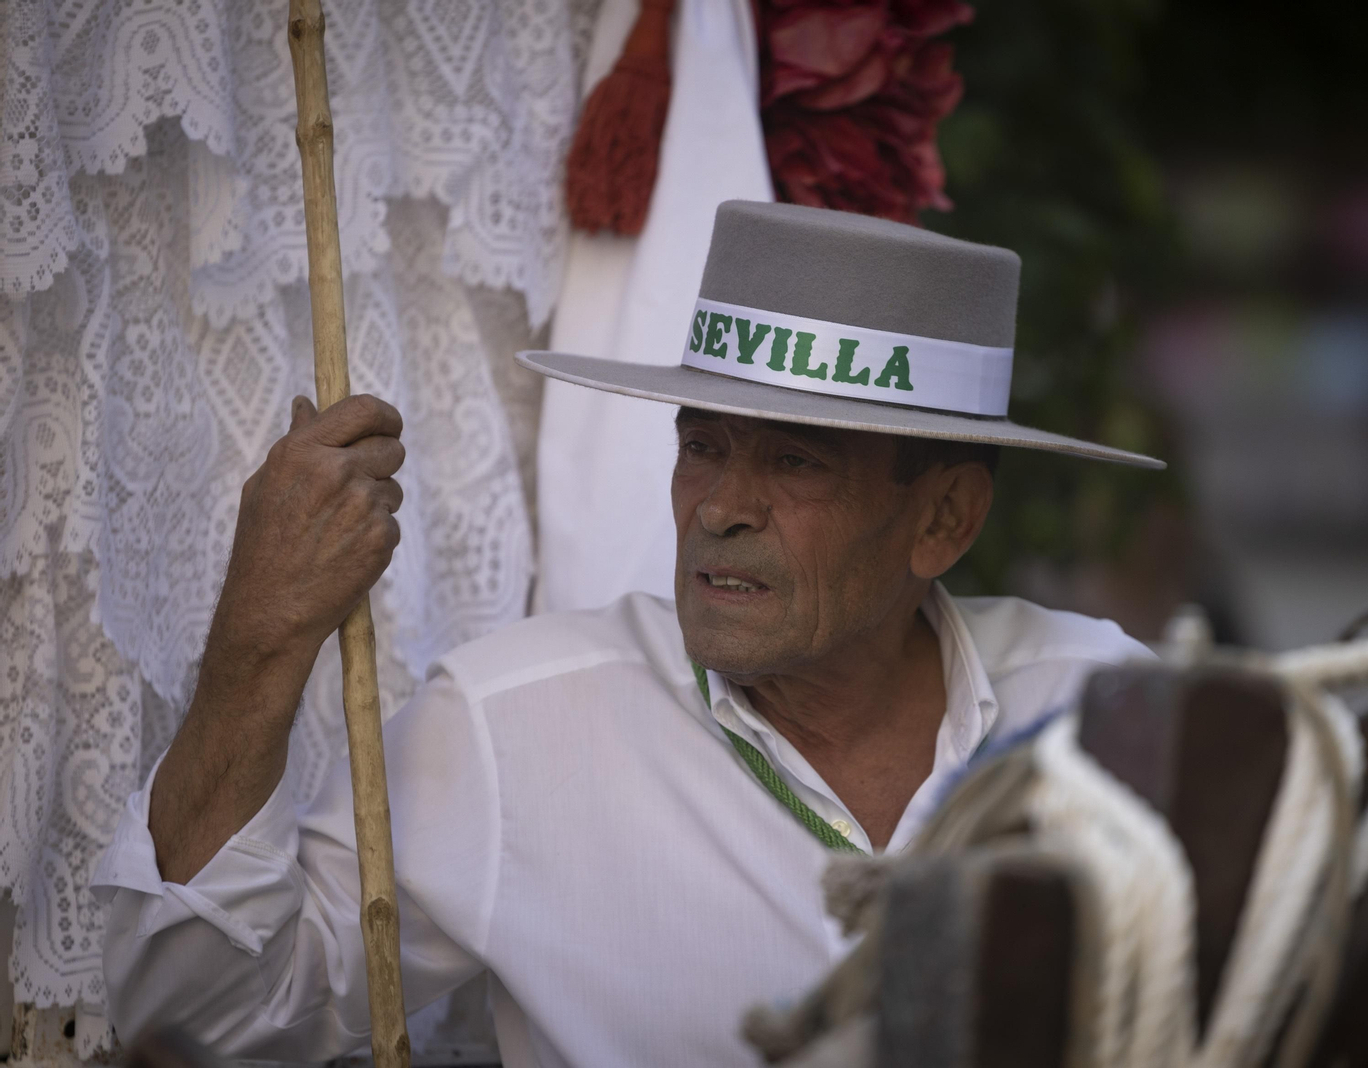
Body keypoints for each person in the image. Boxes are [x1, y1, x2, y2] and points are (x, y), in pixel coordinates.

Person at [94, 201, 1164, 1067]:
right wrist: (259, 638)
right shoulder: (515, 726)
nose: (719, 506)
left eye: (796, 463)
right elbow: (207, 1023)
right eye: (702, 445)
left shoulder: (1115, 720)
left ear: (944, 519)